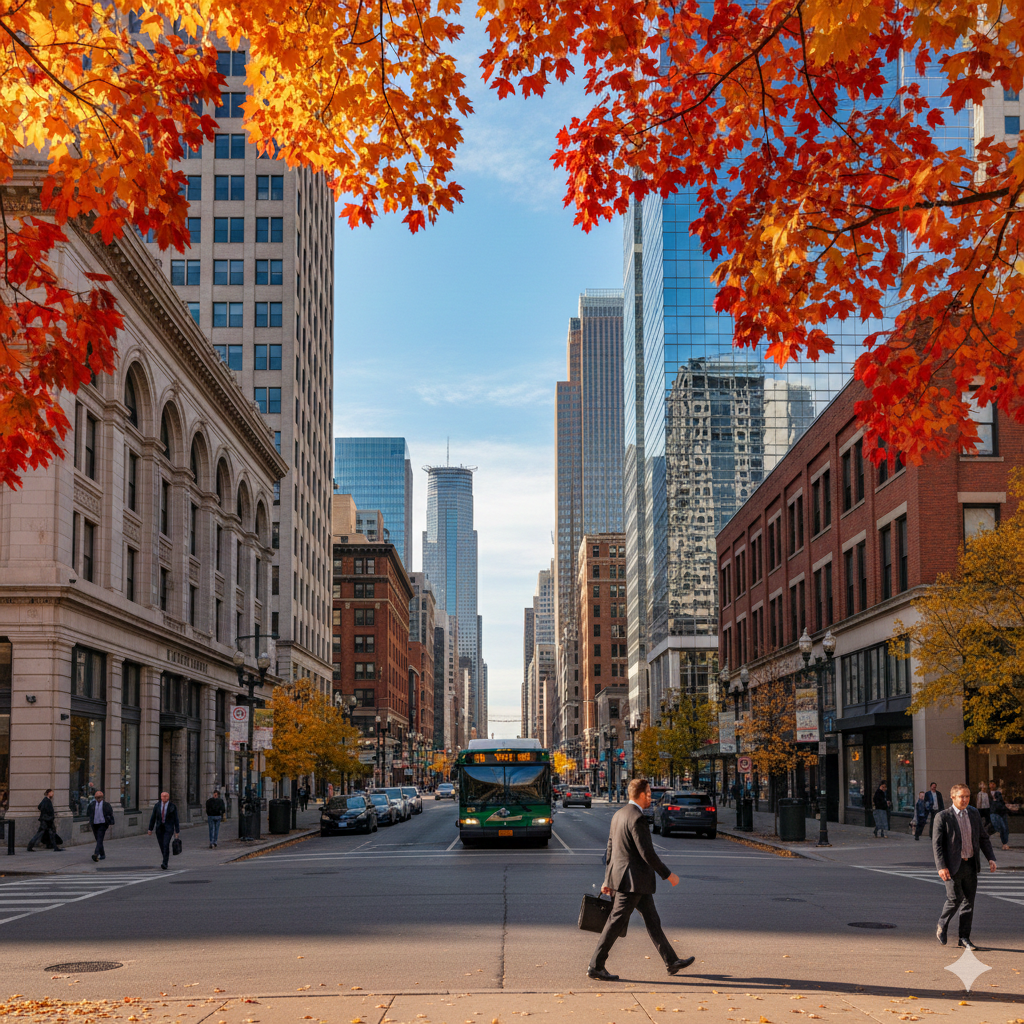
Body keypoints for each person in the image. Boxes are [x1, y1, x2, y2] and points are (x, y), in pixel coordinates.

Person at [588, 777, 695, 982]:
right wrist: (668, 874)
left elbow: (610, 851)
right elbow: (647, 853)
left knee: (653, 920)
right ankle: (596, 965)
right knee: (615, 922)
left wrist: (608, 879)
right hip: (632, 882)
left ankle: (671, 961)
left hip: (627, 879)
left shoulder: (619, 815)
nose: (651, 798)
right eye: (648, 794)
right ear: (639, 794)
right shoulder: (637, 818)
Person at [933, 782, 997, 950]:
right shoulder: (943, 816)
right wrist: (941, 866)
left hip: (970, 864)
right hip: (952, 866)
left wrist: (990, 857)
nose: (965, 799)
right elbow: (937, 845)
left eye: (967, 796)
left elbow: (983, 837)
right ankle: (942, 924)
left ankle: (964, 937)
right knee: (954, 899)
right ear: (953, 797)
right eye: (962, 796)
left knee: (969, 902)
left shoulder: (974, 813)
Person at [147, 791, 180, 869]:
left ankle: (165, 862)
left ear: (168, 797)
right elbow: (153, 818)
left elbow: (176, 818)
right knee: (162, 845)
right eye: (163, 796)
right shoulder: (157, 806)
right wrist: (150, 829)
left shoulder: (172, 806)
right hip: (159, 828)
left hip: (168, 828)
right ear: (161, 797)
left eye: (166, 796)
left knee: (166, 844)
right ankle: (165, 858)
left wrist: (177, 830)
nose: (164, 798)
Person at [86, 790, 114, 861]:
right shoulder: (92, 804)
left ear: (102, 797)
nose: (99, 799)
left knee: (100, 839)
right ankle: (102, 854)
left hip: (103, 824)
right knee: (98, 839)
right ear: (95, 798)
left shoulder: (106, 805)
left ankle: (96, 854)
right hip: (94, 824)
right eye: (97, 798)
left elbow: (110, 813)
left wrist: (109, 821)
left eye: (100, 797)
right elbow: (88, 813)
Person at [989, 785, 1011, 851]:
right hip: (997, 813)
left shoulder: (1001, 797)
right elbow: (999, 805)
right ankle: (1004, 843)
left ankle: (1004, 843)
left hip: (1000, 813)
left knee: (1004, 829)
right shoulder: (997, 796)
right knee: (1003, 828)